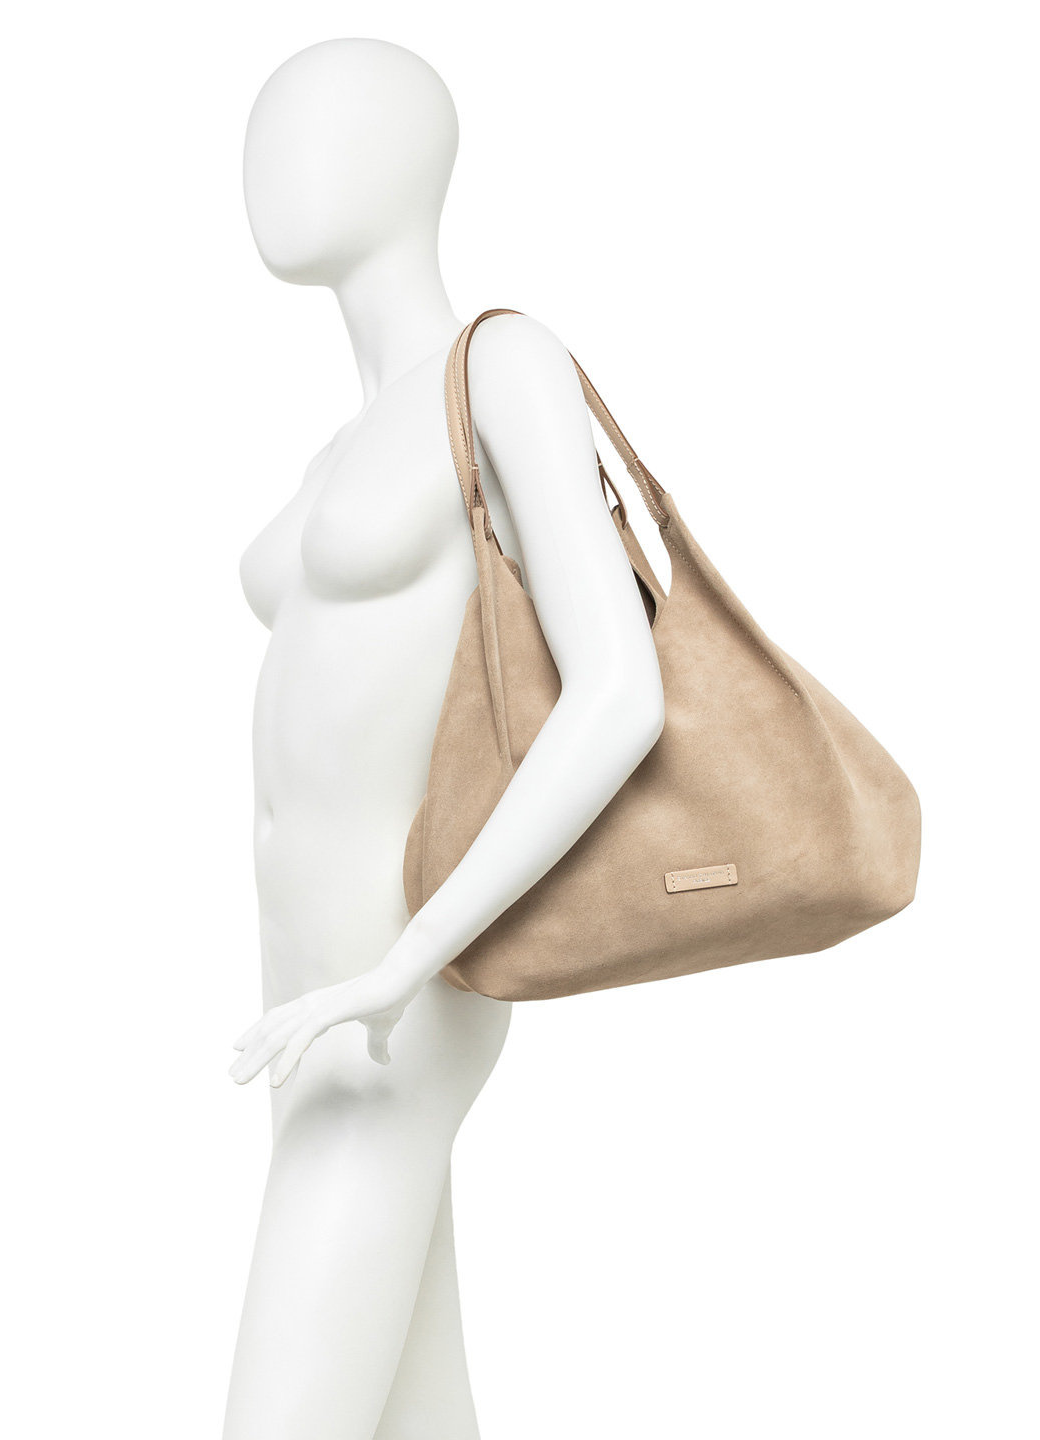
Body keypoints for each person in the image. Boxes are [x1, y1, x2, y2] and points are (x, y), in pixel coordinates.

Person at [224, 38, 665, 1440]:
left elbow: (621, 692)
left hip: (399, 978)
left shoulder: (503, 367)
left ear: (414, 158)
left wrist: (408, 961)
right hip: (310, 987)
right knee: (414, 1408)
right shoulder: (342, 444)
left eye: (316, 125)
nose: (269, 162)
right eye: (260, 130)